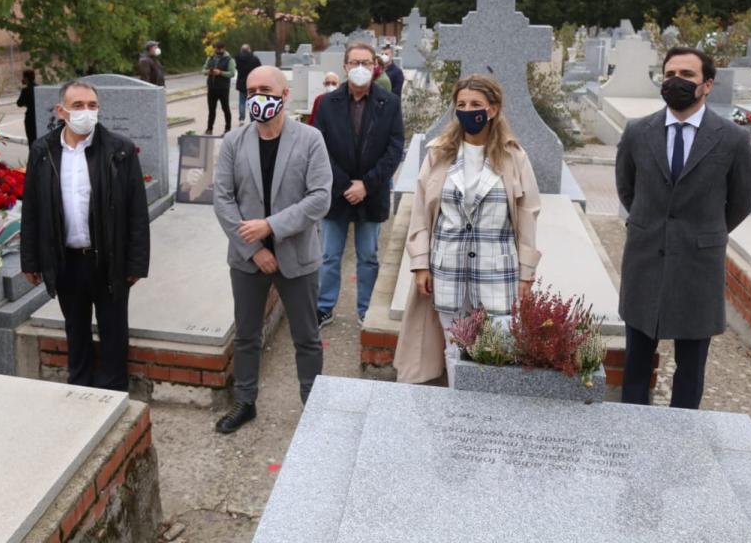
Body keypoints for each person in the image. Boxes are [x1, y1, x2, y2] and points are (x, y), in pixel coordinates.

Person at [616, 47, 751, 410]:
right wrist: (655, 227)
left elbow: (741, 201)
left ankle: (681, 442)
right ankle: (633, 430)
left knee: (690, 370)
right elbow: (627, 189)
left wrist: (703, 233)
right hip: (645, 260)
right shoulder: (636, 133)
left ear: (707, 84)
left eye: (688, 75)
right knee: (636, 365)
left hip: (698, 265)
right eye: (669, 73)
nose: (676, 81)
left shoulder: (732, 139)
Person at [393, 75, 542, 385]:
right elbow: (421, 211)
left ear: (493, 109)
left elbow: (528, 216)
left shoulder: (515, 157)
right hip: (448, 272)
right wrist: (420, 264)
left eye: (475, 104)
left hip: (497, 274)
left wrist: (526, 274)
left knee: (498, 355)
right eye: (461, 104)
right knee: (454, 354)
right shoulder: (439, 153)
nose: (467, 110)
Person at [212, 66, 332, 432]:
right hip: (248, 258)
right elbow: (222, 198)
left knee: (307, 337)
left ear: (283, 95)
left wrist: (271, 226)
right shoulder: (234, 141)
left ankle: (312, 404)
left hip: (296, 256)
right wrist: (254, 249)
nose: (256, 96)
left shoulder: (310, 139)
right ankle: (245, 401)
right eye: (250, 90)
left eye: (265, 88)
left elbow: (320, 197)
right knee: (247, 335)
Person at [21, 80, 150, 391]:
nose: (86, 112)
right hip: (67, 260)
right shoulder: (43, 151)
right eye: (78, 106)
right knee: (75, 328)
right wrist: (31, 260)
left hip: (107, 259)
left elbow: (136, 211)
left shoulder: (119, 150)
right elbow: (34, 209)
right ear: (61, 110)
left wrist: (135, 264)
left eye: (92, 106)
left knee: (113, 330)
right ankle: (79, 385)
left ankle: (114, 390)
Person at [312, 42, 404, 326]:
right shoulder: (328, 103)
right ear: (345, 66)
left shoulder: (389, 103)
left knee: (368, 257)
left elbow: (394, 148)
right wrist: (343, 185)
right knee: (328, 255)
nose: (360, 68)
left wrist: (365, 184)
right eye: (354, 63)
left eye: (366, 62)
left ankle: (366, 310)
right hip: (336, 194)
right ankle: (324, 306)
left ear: (375, 66)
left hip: (371, 193)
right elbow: (320, 148)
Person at [203, 40, 237, 135]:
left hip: (223, 88)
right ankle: (209, 129)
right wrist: (208, 72)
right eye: (216, 49)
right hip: (212, 88)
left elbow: (232, 73)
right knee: (211, 110)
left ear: (224, 48)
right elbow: (203, 70)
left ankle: (227, 129)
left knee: (225, 108)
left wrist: (220, 73)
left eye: (220, 49)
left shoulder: (229, 60)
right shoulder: (211, 58)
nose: (218, 50)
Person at [234, 44, 260, 124]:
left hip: (241, 83)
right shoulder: (254, 59)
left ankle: (241, 119)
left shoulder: (237, 58)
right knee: (252, 102)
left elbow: (236, 67)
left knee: (242, 102)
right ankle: (253, 119)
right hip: (252, 83)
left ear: (241, 50)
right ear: (249, 50)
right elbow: (259, 69)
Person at [16, 68, 38, 144]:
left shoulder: (25, 90)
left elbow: (19, 103)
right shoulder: (39, 88)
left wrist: (26, 103)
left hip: (30, 119)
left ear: (26, 78)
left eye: (23, 77)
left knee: (32, 141)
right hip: (39, 117)